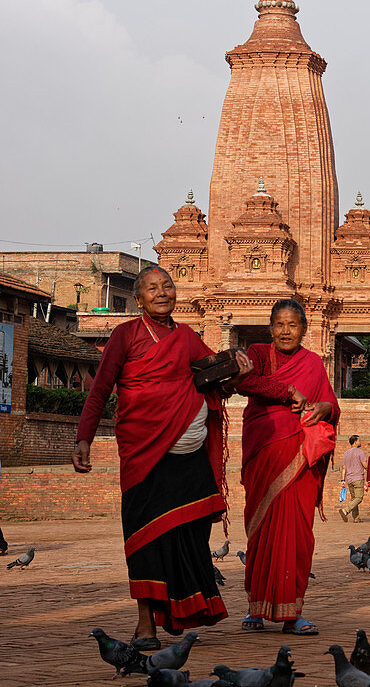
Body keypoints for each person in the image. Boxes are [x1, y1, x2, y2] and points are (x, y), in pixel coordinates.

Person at [72, 266, 251, 649]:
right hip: (144, 453)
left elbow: (215, 380)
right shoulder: (126, 335)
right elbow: (101, 387)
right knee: (145, 539)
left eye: (167, 285)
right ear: (139, 299)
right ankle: (145, 625)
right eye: (152, 288)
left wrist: (237, 373)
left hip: (190, 457)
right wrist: (84, 437)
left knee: (191, 535)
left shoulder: (186, 336)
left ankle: (184, 609)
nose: (162, 292)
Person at [236, 299, 339, 635]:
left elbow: (329, 402)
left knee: (297, 534)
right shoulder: (259, 353)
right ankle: (256, 606)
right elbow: (244, 381)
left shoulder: (313, 363)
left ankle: (292, 611)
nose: (285, 331)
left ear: (304, 329)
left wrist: (324, 407)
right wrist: (285, 391)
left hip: (299, 457)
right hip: (263, 450)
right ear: (270, 328)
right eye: (279, 324)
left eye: (292, 325)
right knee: (261, 528)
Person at [339, 435, 367, 522]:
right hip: (358, 477)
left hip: (349, 479)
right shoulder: (360, 452)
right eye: (359, 440)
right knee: (359, 498)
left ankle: (356, 518)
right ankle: (346, 510)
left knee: (354, 498)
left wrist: (343, 480)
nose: (360, 442)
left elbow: (344, 468)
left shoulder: (346, 453)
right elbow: (365, 465)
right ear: (355, 442)